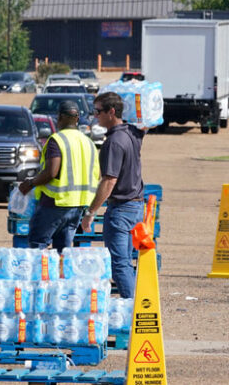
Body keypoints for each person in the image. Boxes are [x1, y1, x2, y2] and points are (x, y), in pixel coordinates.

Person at [81, 92, 145, 299]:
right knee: (125, 262)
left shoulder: (114, 142)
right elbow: (144, 127)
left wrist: (91, 212)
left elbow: (109, 181)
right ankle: (134, 304)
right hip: (135, 206)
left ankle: (131, 310)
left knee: (119, 265)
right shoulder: (132, 133)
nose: (95, 115)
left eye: (98, 111)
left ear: (111, 112)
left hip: (122, 209)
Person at [19, 101, 99, 253]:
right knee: (63, 251)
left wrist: (30, 183)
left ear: (59, 117)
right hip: (78, 205)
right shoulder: (88, 142)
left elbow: (51, 172)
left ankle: (40, 277)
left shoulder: (57, 140)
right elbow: (97, 174)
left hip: (55, 202)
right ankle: (60, 276)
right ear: (77, 119)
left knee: (38, 246)